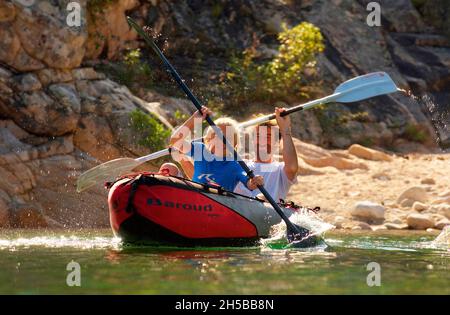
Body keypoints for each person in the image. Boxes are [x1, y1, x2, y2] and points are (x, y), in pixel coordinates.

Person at [169, 106, 264, 192]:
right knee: (168, 166)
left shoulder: (236, 165)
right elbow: (175, 140)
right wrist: (195, 119)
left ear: (235, 144)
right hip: (195, 201)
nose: (224, 141)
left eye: (229, 138)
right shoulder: (200, 150)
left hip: (217, 206)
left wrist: (255, 181)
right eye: (219, 136)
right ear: (208, 140)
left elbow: (250, 184)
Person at [234, 107, 298, 201]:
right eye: (258, 136)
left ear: (276, 142)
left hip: (267, 213)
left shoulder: (280, 170)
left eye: (268, 136)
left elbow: (292, 168)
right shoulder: (239, 165)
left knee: (262, 198)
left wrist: (285, 130)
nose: (262, 141)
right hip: (235, 211)